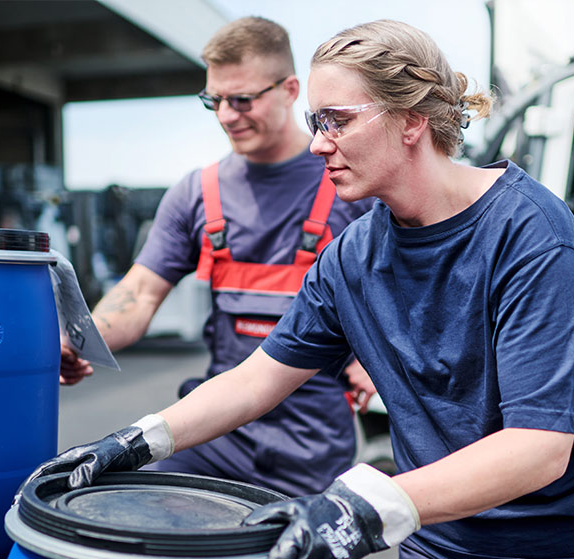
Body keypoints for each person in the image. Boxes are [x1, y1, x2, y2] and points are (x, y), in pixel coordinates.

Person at [25, 19, 574, 559]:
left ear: (411, 120)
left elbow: (539, 448)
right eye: (315, 121)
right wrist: (134, 440)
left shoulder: (530, 234)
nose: (317, 145)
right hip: (448, 537)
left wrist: (367, 505)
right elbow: (258, 380)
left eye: (337, 120)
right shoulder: (354, 255)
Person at [57, 16, 375, 498]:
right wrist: (82, 340)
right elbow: (140, 292)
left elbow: (410, 295)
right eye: (215, 100)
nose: (227, 115)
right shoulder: (196, 193)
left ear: (291, 90)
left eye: (242, 99)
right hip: (212, 432)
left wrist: (374, 357)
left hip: (312, 445)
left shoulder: (353, 186)